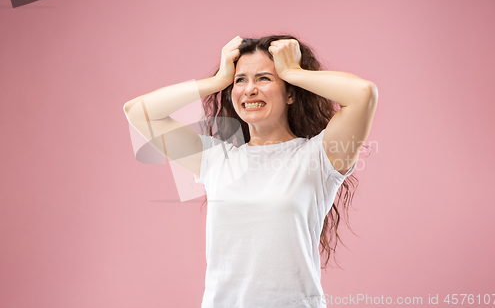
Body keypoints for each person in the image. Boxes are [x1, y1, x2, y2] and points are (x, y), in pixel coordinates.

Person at [123, 35, 378, 308]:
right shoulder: (216, 159)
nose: (249, 89)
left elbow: (363, 94)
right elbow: (138, 113)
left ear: (290, 92)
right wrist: (217, 81)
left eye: (265, 78)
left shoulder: (319, 157)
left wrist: (293, 71)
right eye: (240, 80)